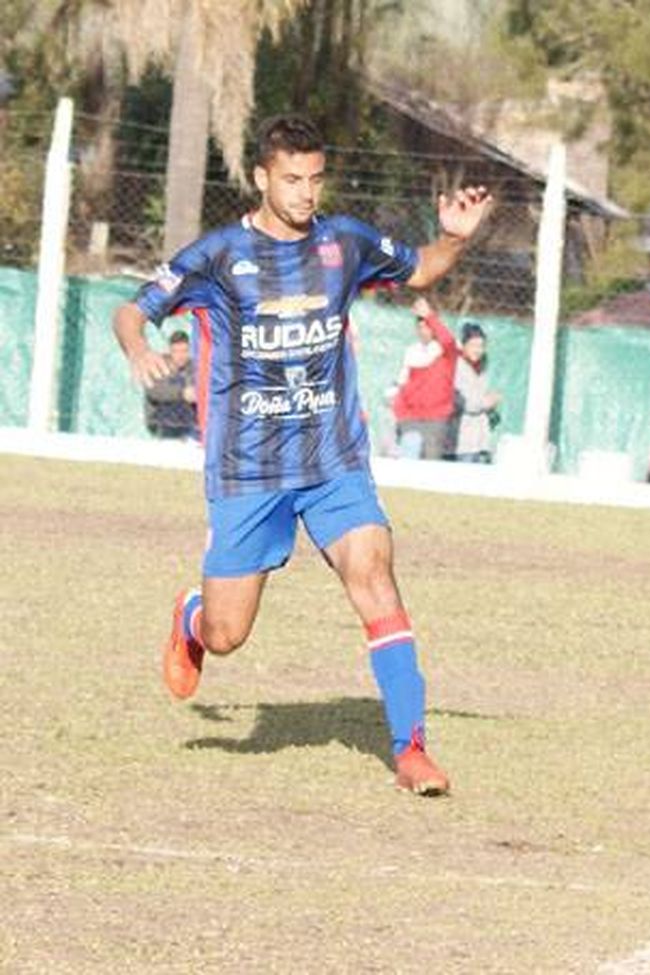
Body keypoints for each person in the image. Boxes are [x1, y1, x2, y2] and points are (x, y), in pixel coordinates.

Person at [111, 114, 493, 796]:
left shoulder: (343, 243)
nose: (305, 192)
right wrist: (139, 347)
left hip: (332, 458)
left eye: (315, 178)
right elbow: (132, 311)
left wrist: (453, 240)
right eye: (291, 179)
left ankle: (411, 751)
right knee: (229, 635)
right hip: (248, 467)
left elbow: (423, 268)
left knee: (374, 574)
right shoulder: (220, 254)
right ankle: (192, 618)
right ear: (262, 177)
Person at [391, 295, 459, 460]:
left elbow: (448, 340)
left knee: (430, 462)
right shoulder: (412, 352)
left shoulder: (445, 351)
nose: (424, 331)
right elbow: (403, 384)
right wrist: (400, 411)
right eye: (420, 327)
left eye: (427, 327)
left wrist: (429, 315)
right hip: (411, 417)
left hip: (436, 418)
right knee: (409, 453)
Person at [451, 322, 501, 463]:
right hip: (463, 445)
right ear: (463, 345)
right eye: (474, 345)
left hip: (480, 443)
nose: (478, 350)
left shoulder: (481, 370)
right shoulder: (457, 369)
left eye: (481, 346)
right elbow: (467, 404)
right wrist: (488, 401)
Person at [143, 330, 196, 439]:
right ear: (170, 351)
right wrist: (182, 393)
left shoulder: (194, 367)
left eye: (184, 351)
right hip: (161, 421)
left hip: (187, 421)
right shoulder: (158, 365)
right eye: (176, 351)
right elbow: (154, 391)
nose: (180, 356)